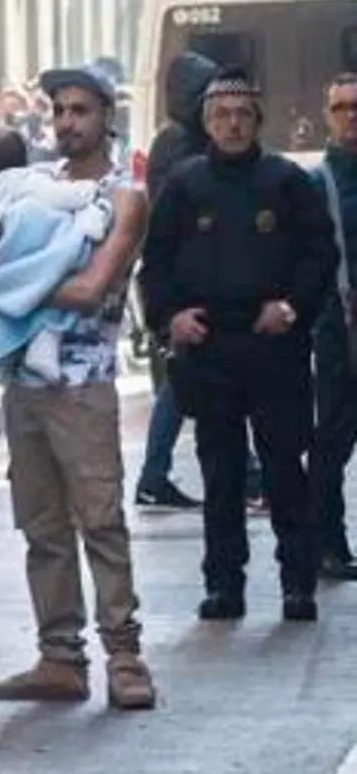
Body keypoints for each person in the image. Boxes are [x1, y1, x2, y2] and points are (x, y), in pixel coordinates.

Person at [0, 63, 157, 710]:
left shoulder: (124, 193)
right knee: (42, 525)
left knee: (100, 520)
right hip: (24, 382)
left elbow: (90, 289)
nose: (67, 122)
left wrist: (10, 285)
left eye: (80, 110)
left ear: (107, 115)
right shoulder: (35, 186)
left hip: (83, 384)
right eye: (59, 111)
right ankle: (60, 656)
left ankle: (125, 656)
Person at [141, 69, 337, 622]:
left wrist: (293, 307)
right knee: (221, 474)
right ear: (207, 123)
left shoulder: (286, 182)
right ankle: (224, 585)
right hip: (209, 347)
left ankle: (298, 583)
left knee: (282, 469)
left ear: (257, 122)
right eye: (221, 115)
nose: (232, 124)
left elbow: (319, 255)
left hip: (274, 345)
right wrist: (170, 318)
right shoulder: (184, 185)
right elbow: (155, 264)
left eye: (242, 115)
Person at [0, 127, 115, 385]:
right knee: (63, 265)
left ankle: (24, 347)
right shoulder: (28, 183)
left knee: (16, 307)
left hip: (3, 260)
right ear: (25, 157)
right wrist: (89, 191)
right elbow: (63, 197)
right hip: (31, 255)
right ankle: (44, 342)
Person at [134, 51, 220, 510]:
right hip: (187, 280)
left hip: (192, 275)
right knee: (186, 378)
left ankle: (156, 474)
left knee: (197, 376)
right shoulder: (180, 144)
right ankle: (154, 474)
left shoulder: (178, 140)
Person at [312, 73, 357, 581]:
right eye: (341, 108)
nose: (351, 116)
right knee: (333, 443)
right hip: (340, 330)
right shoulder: (316, 183)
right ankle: (328, 544)